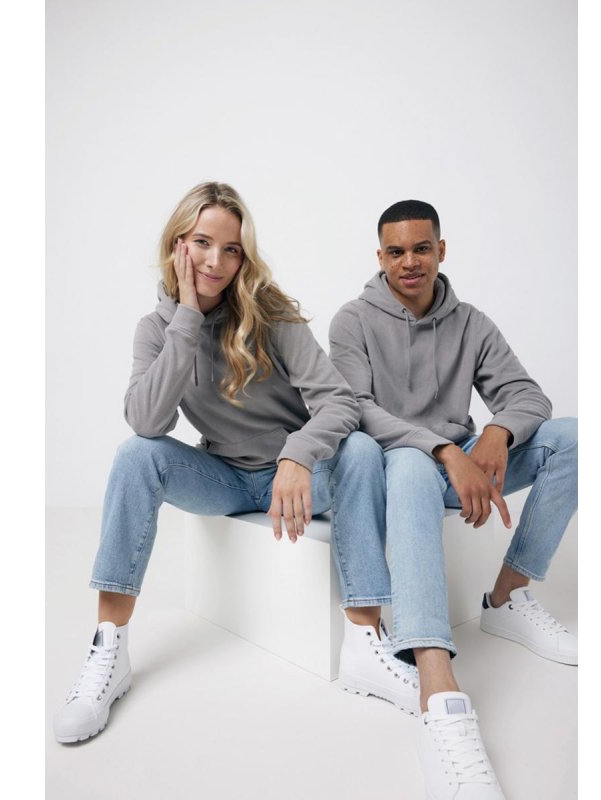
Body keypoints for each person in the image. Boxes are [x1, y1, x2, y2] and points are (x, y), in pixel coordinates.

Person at [53, 181, 386, 743]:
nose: (215, 261)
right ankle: (109, 651)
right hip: (225, 480)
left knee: (361, 447)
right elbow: (148, 422)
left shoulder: (270, 312)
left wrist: (297, 454)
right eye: (203, 243)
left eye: (231, 249)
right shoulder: (156, 330)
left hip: (296, 479)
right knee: (136, 455)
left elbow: (339, 402)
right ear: (177, 244)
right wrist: (186, 318)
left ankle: (365, 643)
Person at [328, 199, 578, 800]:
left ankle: (507, 599)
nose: (409, 262)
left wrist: (496, 432)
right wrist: (443, 449)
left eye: (421, 248)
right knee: (412, 463)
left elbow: (526, 394)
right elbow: (355, 411)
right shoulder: (352, 321)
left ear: (441, 250)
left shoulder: (471, 322)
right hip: (399, 467)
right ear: (380, 257)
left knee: (572, 439)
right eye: (396, 252)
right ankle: (436, 688)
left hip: (464, 463)